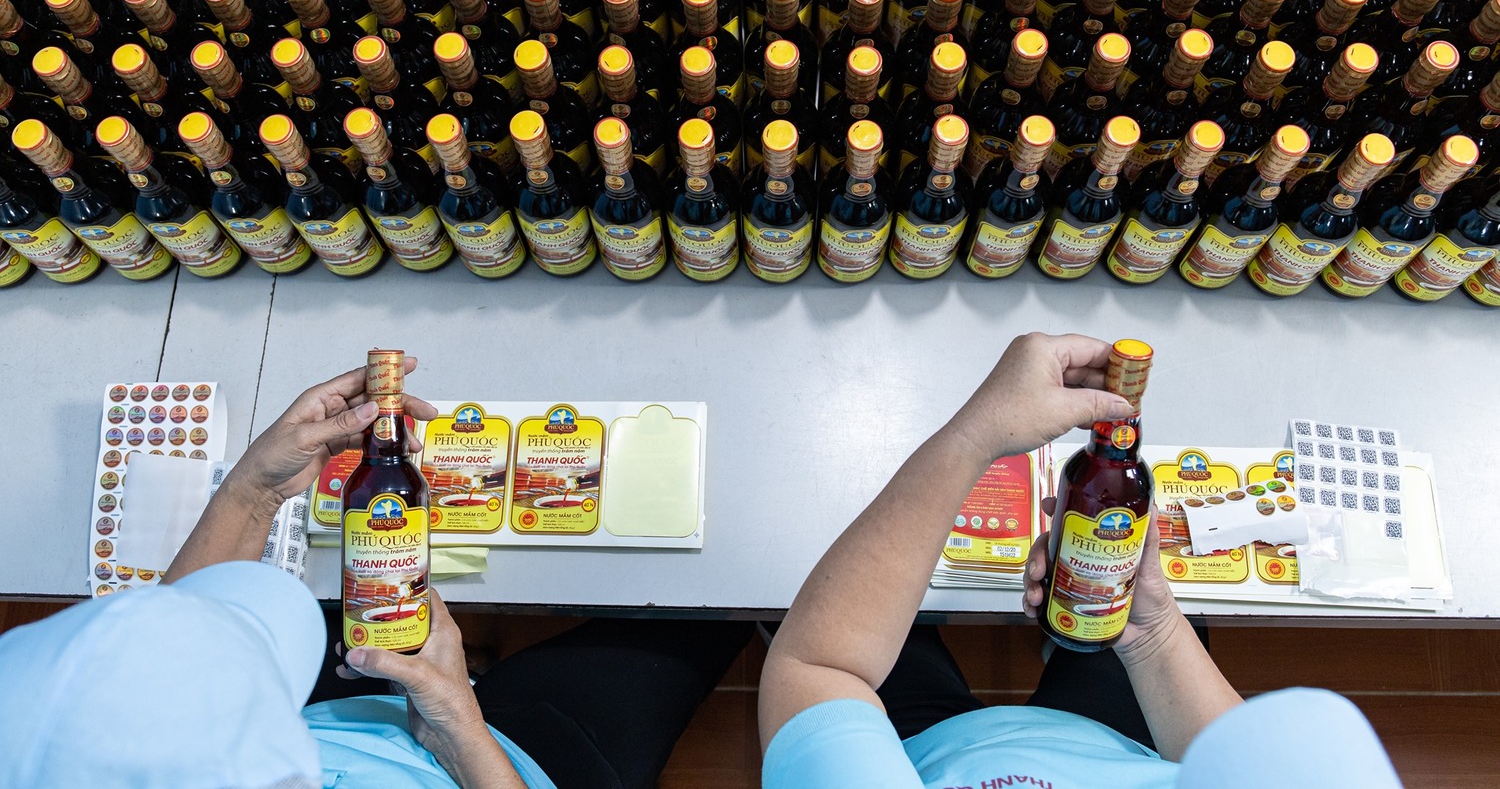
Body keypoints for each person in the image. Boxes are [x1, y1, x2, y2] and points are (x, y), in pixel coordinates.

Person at [0, 359, 749, 789]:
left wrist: (255, 488)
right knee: (706, 617)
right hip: (514, 759)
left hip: (348, 704)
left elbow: (168, 659)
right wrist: (460, 731)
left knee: (345, 613)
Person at [758, 332, 1405, 788]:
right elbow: (1236, 759)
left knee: (821, 590)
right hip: (1109, 740)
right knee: (1173, 631)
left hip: (916, 753)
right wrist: (1153, 633)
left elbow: (820, 668)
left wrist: (977, 433)